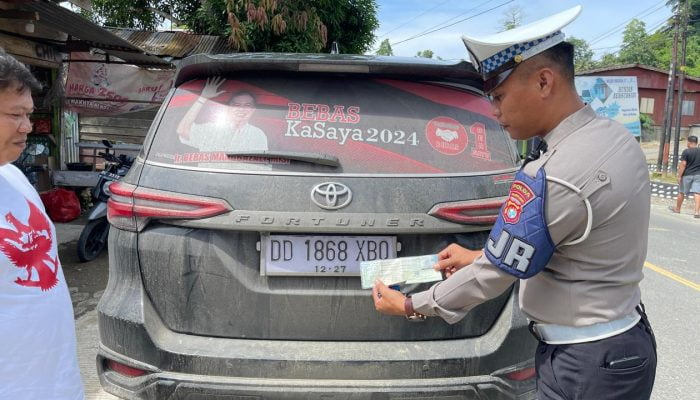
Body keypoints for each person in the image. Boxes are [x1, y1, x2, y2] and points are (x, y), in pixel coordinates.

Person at [371, 6, 657, 400]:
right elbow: (568, 243)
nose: (495, 111)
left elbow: (495, 275)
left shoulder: (556, 174)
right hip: (621, 343)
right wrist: (477, 256)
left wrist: (411, 304)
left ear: (543, 82)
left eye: (500, 95)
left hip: (585, 365)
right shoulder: (613, 137)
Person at [0, 50, 84, 399]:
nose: (27, 126)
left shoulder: (14, 177)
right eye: (15, 115)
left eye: (28, 114)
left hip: (55, 380)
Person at [176, 76, 268, 152]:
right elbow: (182, 130)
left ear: (253, 110)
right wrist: (203, 98)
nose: (241, 109)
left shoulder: (258, 135)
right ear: (228, 108)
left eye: (247, 105)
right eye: (236, 105)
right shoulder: (211, 129)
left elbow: (262, 165)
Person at [669, 135, 700, 218]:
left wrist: (679, 176)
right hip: (698, 175)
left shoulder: (686, 151)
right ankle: (696, 212)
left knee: (682, 192)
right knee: (697, 192)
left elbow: (683, 164)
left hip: (687, 175)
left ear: (689, 142)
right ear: (696, 143)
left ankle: (678, 209)